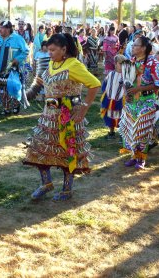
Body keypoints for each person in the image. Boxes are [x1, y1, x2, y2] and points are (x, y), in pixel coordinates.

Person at [24, 34, 101, 202]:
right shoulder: (52, 63)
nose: (49, 53)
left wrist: (84, 108)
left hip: (67, 116)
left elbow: (95, 84)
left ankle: (67, 189)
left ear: (64, 49)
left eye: (52, 50)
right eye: (48, 50)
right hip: (49, 115)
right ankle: (46, 183)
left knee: (68, 151)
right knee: (39, 148)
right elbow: (45, 81)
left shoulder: (74, 65)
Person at [119, 36, 159, 170]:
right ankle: (134, 155)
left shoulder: (153, 63)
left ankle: (141, 158)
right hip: (132, 101)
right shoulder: (131, 61)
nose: (132, 46)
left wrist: (139, 89)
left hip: (147, 101)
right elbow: (127, 80)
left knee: (141, 129)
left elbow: (158, 84)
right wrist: (127, 92)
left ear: (143, 48)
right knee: (131, 129)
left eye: (136, 45)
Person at [0, 20, 29, 115]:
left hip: (12, 69)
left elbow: (26, 51)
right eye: (0, 28)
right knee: (2, 89)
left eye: (2, 28)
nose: (0, 30)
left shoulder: (17, 38)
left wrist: (17, 59)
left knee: (13, 87)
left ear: (8, 29)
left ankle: (16, 105)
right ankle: (6, 108)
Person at [101, 54, 127, 139]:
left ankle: (122, 134)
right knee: (110, 115)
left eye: (124, 64)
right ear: (115, 64)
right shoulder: (110, 74)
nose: (122, 66)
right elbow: (105, 84)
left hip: (120, 100)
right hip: (109, 99)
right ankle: (111, 132)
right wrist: (105, 94)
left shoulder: (126, 76)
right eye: (120, 64)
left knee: (121, 116)